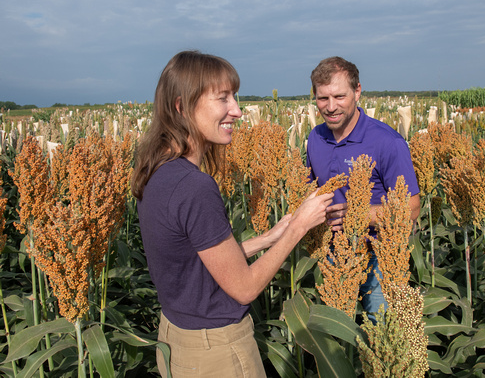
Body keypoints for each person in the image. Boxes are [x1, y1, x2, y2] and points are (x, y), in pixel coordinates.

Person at [131, 50, 334, 378]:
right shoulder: (194, 187)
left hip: (175, 341)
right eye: (223, 98)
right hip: (217, 353)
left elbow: (198, 261)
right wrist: (299, 225)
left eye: (235, 98)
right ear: (182, 106)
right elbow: (244, 288)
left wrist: (267, 238)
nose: (237, 111)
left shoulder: (156, 172)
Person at [306, 56, 420, 318]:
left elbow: (412, 208)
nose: (331, 107)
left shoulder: (388, 142)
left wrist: (356, 214)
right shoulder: (315, 138)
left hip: (379, 256)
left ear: (357, 91)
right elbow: (312, 187)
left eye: (339, 96)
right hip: (332, 255)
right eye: (323, 98)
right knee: (335, 339)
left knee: (380, 336)